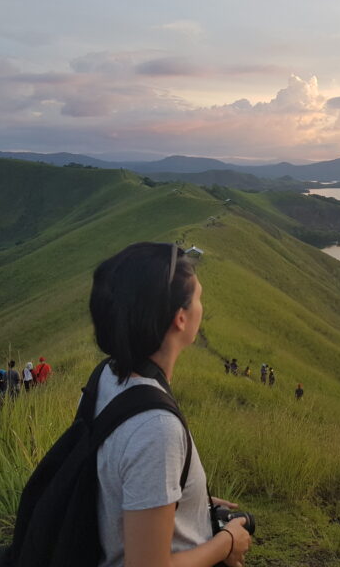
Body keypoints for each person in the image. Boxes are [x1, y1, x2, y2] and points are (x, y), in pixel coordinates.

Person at [88, 242, 251, 567]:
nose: (202, 305)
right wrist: (228, 542)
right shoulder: (155, 429)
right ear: (180, 318)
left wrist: (186, 500)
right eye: (198, 297)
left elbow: (112, 480)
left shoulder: (106, 376)